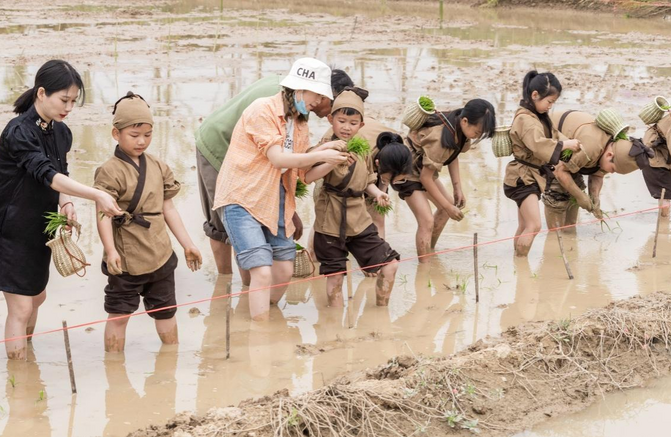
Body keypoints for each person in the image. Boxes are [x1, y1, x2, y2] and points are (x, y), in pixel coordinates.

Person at [0, 59, 122, 360]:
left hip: (39, 227)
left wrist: (68, 201)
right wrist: (96, 195)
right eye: (64, 100)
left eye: (73, 101)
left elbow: (61, 173)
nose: (68, 107)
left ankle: (26, 358)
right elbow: (45, 173)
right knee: (20, 306)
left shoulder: (61, 133)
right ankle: (19, 381)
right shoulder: (18, 131)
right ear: (42, 93)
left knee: (37, 297)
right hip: (10, 228)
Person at [212, 58, 350, 321]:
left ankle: (258, 315)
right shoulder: (262, 109)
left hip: (276, 197)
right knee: (262, 272)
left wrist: (331, 160)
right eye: (317, 95)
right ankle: (260, 334)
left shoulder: (300, 124)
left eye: (322, 97)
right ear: (298, 89)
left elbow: (305, 175)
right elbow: (278, 158)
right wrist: (321, 154)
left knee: (284, 271)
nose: (319, 102)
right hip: (243, 197)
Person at [94, 92, 203, 352]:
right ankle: (114, 369)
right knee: (119, 314)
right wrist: (110, 251)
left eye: (148, 134)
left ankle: (170, 362)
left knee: (166, 312)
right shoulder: (109, 170)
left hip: (160, 252)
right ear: (116, 134)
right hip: (126, 258)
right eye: (134, 135)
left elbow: (169, 208)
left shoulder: (158, 166)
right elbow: (102, 214)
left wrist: (187, 244)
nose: (142, 141)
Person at [305, 89, 408, 306]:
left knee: (390, 264)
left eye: (353, 123)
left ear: (361, 125)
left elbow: (367, 180)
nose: (346, 127)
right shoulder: (324, 147)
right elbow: (307, 177)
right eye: (341, 121)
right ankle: (336, 332)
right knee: (335, 279)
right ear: (331, 119)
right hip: (330, 220)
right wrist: (330, 159)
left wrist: (378, 193)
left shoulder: (362, 149)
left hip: (359, 219)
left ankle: (381, 313)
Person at [392, 99, 495, 262]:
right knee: (427, 220)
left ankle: (429, 251)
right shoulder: (440, 137)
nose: (477, 137)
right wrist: (448, 207)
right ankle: (424, 268)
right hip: (405, 169)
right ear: (465, 121)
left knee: (446, 207)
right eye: (477, 132)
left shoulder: (460, 129)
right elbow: (425, 178)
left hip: (422, 168)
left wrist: (457, 188)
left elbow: (453, 154)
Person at [504, 71, 579, 256]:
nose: (550, 106)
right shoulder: (525, 119)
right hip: (522, 178)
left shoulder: (538, 117)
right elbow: (538, 145)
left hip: (529, 176)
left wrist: (568, 144)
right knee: (534, 225)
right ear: (535, 95)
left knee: (524, 225)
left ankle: (518, 263)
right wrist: (564, 145)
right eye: (549, 102)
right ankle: (521, 265)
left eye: (553, 103)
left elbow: (554, 135)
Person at [545, 110, 614, 228]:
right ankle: (554, 236)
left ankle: (569, 231)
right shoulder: (590, 149)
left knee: (576, 188)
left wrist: (594, 197)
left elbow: (598, 173)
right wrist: (581, 197)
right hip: (551, 138)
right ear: (609, 155)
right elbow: (559, 170)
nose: (612, 172)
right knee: (556, 195)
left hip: (574, 153)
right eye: (613, 168)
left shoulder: (611, 148)